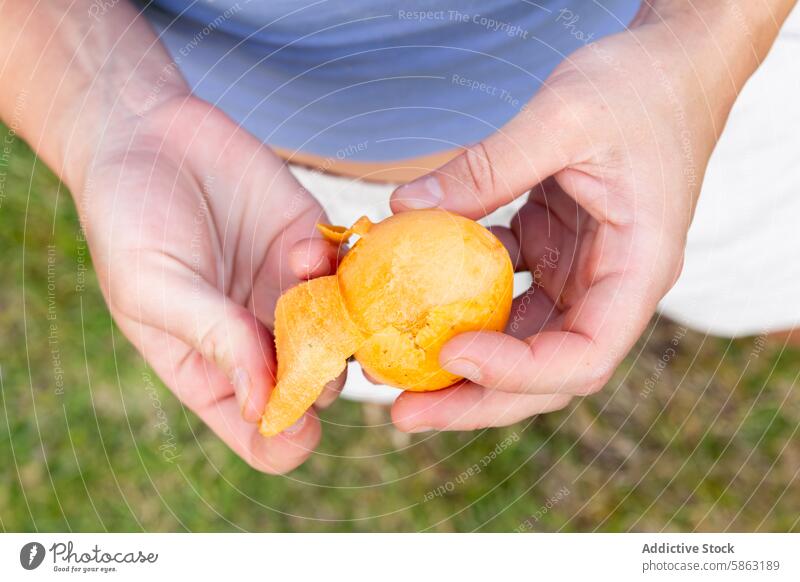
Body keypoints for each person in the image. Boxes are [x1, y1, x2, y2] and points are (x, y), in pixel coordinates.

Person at [1, 1, 797, 474]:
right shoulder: (302, 271)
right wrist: (105, 105)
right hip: (255, 181)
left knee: (763, 259)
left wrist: (708, 42)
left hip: (688, 84)